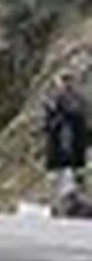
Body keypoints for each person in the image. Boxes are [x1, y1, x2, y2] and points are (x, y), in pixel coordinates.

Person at [43, 72, 89, 211]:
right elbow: (48, 124)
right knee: (58, 176)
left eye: (70, 81)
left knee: (76, 175)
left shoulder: (81, 101)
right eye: (64, 81)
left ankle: (73, 203)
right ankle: (57, 204)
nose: (67, 84)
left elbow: (85, 123)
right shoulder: (53, 100)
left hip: (76, 147)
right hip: (59, 147)